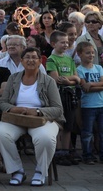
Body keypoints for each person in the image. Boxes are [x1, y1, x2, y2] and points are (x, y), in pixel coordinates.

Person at [0, 47, 64, 186]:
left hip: (41, 119)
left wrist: (37, 111)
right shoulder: (13, 78)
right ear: (22, 61)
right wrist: (14, 108)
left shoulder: (49, 81)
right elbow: (3, 103)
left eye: (34, 57)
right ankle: (17, 170)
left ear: (39, 62)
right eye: (27, 57)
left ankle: (40, 171)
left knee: (45, 138)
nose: (30, 60)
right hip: (16, 118)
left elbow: (57, 109)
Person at [45, 30, 80, 165]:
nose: (66, 44)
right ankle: (58, 152)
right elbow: (56, 79)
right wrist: (72, 80)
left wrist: (69, 80)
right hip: (59, 95)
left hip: (70, 95)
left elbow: (77, 78)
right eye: (62, 42)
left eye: (67, 42)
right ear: (53, 44)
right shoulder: (51, 59)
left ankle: (66, 151)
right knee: (59, 123)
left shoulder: (69, 59)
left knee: (69, 125)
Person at [76, 41, 103, 164]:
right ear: (80, 54)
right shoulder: (79, 70)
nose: (91, 55)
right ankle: (87, 155)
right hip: (88, 106)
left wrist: (91, 84)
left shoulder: (99, 68)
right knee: (87, 132)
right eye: (88, 53)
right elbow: (83, 87)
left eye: (92, 53)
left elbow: (92, 86)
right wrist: (89, 86)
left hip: (101, 104)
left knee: (101, 132)